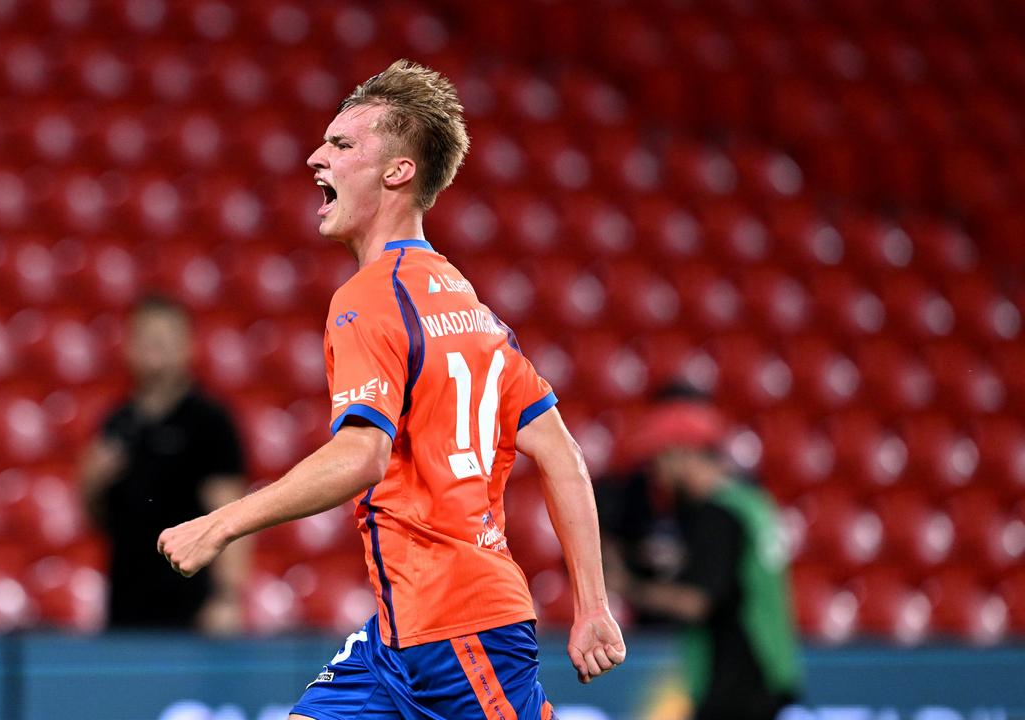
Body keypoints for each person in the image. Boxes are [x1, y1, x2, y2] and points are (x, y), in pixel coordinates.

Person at [157, 59, 625, 719]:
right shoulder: (470, 306)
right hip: (401, 634)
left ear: (397, 172)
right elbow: (562, 453)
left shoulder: (370, 298)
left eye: (342, 145)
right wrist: (593, 607)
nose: (317, 156)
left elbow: (361, 456)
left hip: (459, 628)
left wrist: (221, 525)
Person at [617, 401, 802, 720]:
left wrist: (629, 587)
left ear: (683, 454)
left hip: (735, 687)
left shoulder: (716, 514)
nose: (656, 474)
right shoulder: (752, 503)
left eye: (659, 460)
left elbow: (696, 601)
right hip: (768, 672)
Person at [78, 295, 249, 632]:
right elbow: (96, 518)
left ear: (188, 347)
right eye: (144, 338)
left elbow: (233, 514)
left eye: (165, 339)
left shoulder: (209, 422)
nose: (154, 349)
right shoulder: (118, 422)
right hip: (126, 606)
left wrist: (228, 598)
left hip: (191, 605)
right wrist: (90, 481)